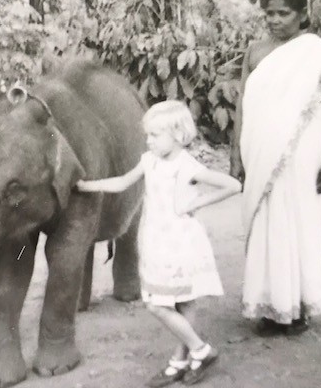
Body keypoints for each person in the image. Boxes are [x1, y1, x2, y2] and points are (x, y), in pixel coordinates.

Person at [77, 100, 241, 387]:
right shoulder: (148, 161)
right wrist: (86, 186)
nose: (148, 140)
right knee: (176, 301)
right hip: (156, 240)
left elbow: (233, 185)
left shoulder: (186, 166)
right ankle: (182, 359)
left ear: (177, 135)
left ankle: (200, 350)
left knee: (159, 304)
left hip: (180, 242)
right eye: (148, 135)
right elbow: (121, 182)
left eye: (155, 135)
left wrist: (198, 202)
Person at [230, 0, 321, 337]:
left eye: (283, 13)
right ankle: (270, 305)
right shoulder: (256, 51)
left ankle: (299, 304)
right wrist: (235, 153)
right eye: (269, 14)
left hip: (303, 151)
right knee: (265, 223)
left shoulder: (319, 51)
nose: (274, 20)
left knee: (298, 222)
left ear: (302, 14)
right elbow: (243, 104)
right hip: (259, 149)